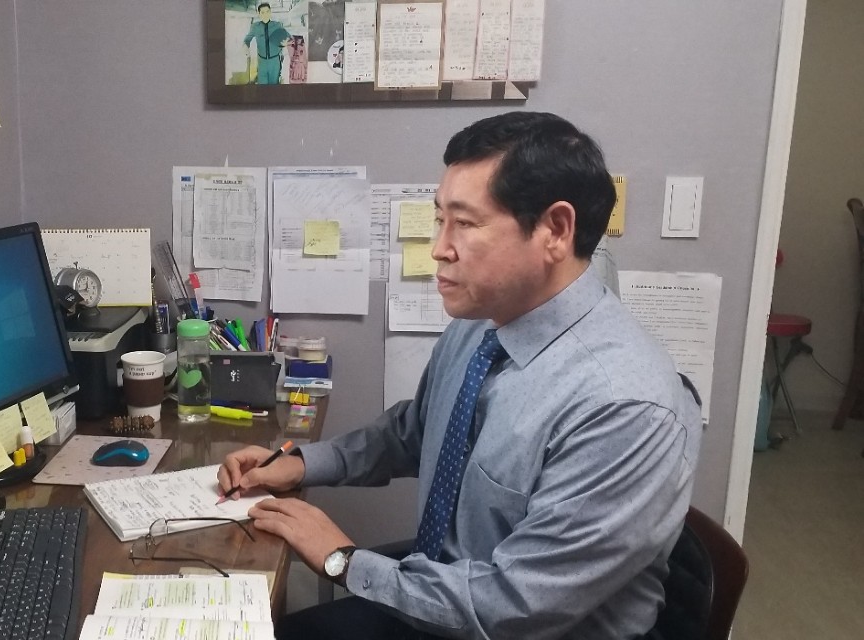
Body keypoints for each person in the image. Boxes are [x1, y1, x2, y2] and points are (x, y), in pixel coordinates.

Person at [219, 112, 702, 640]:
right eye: (439, 218)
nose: (439, 247)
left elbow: (513, 607)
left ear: (555, 230)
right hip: (451, 591)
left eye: (465, 224)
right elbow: (417, 430)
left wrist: (342, 560)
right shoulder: (484, 320)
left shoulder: (624, 406)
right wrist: (303, 463)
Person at [243, 2, 291, 85]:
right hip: (262, 62)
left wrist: (286, 43)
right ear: (259, 14)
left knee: (274, 85)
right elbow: (247, 40)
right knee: (262, 86)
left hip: (275, 62)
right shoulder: (255, 27)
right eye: (263, 12)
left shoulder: (277, 25)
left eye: (267, 11)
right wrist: (245, 46)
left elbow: (289, 37)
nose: (265, 14)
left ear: (270, 12)